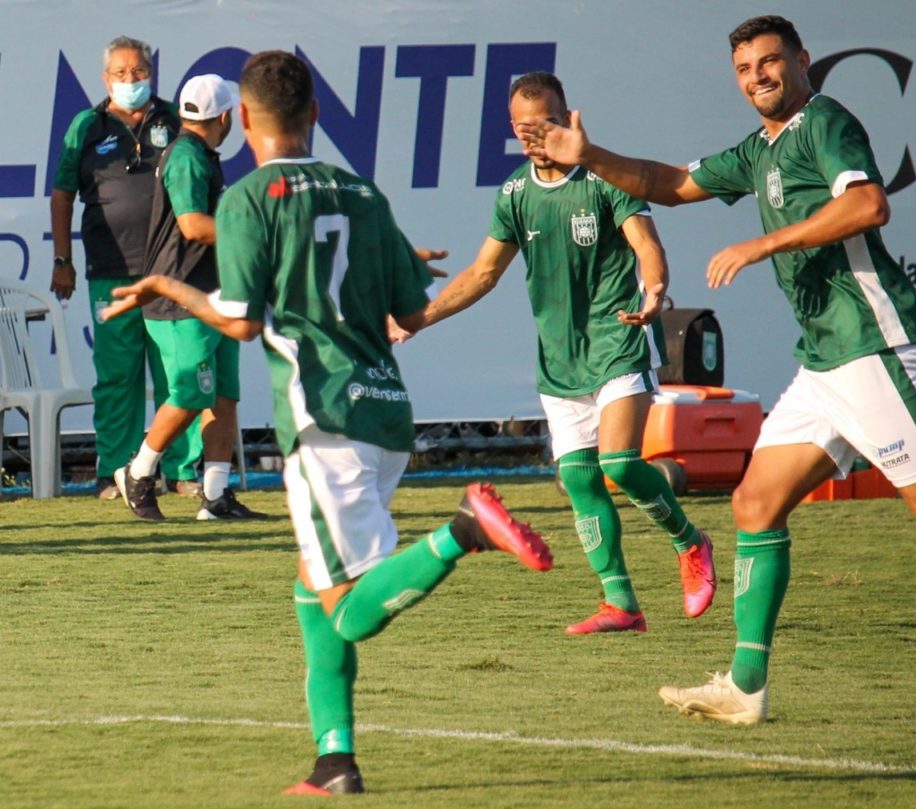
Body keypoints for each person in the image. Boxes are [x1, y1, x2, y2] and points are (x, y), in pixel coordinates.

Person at [520, 14, 916, 722]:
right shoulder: (759, 151)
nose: (757, 76)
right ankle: (746, 688)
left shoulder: (824, 122)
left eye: (769, 62)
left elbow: (868, 203)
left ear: (801, 60)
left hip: (872, 346)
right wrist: (590, 152)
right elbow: (667, 183)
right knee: (754, 504)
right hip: (824, 364)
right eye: (745, 69)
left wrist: (762, 245)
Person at [102, 50, 553, 796]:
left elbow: (242, 323)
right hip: (386, 412)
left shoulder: (250, 196)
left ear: (244, 120)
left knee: (347, 611)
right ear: (315, 114)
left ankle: (463, 528)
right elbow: (409, 312)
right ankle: (334, 760)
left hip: (323, 417)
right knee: (311, 591)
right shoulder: (360, 193)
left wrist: (166, 286)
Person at [409, 71, 716, 635]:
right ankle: (621, 604)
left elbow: (647, 245)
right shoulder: (515, 194)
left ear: (567, 117)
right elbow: (482, 273)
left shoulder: (605, 178)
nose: (534, 135)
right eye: (523, 127)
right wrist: (418, 320)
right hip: (560, 361)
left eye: (544, 123)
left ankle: (690, 542)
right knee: (579, 480)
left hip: (618, 340)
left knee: (619, 463)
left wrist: (654, 290)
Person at [50, 35, 202, 500]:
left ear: (151, 72)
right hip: (110, 270)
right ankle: (115, 468)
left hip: (171, 269)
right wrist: (63, 261)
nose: (131, 80)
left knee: (178, 372)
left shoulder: (174, 118)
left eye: (138, 71)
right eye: (121, 73)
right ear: (105, 78)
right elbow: (62, 194)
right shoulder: (87, 125)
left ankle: (182, 471)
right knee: (117, 373)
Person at [114, 73, 264, 522]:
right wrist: (254, 239)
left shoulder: (198, 154)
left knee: (222, 397)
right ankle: (137, 474)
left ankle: (216, 496)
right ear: (225, 116)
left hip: (211, 296)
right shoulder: (187, 157)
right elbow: (193, 226)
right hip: (180, 298)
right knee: (189, 394)